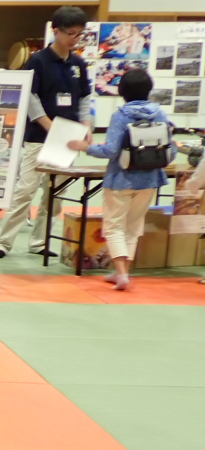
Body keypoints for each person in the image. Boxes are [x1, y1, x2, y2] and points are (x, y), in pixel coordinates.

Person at [0, 6, 94, 258]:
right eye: (70, 33)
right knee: (25, 190)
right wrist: (49, 125)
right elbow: (29, 96)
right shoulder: (37, 61)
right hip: (40, 137)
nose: (74, 38)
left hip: (68, 138)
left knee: (55, 195)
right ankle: (3, 242)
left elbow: (84, 97)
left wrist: (86, 126)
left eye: (78, 34)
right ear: (56, 31)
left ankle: (39, 242)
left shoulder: (78, 64)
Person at [67, 68, 176, 290]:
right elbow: (170, 149)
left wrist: (85, 147)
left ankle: (121, 273)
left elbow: (110, 150)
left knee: (114, 226)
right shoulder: (160, 114)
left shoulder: (120, 116)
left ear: (122, 91)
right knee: (133, 226)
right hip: (150, 179)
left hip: (120, 179)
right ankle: (123, 271)